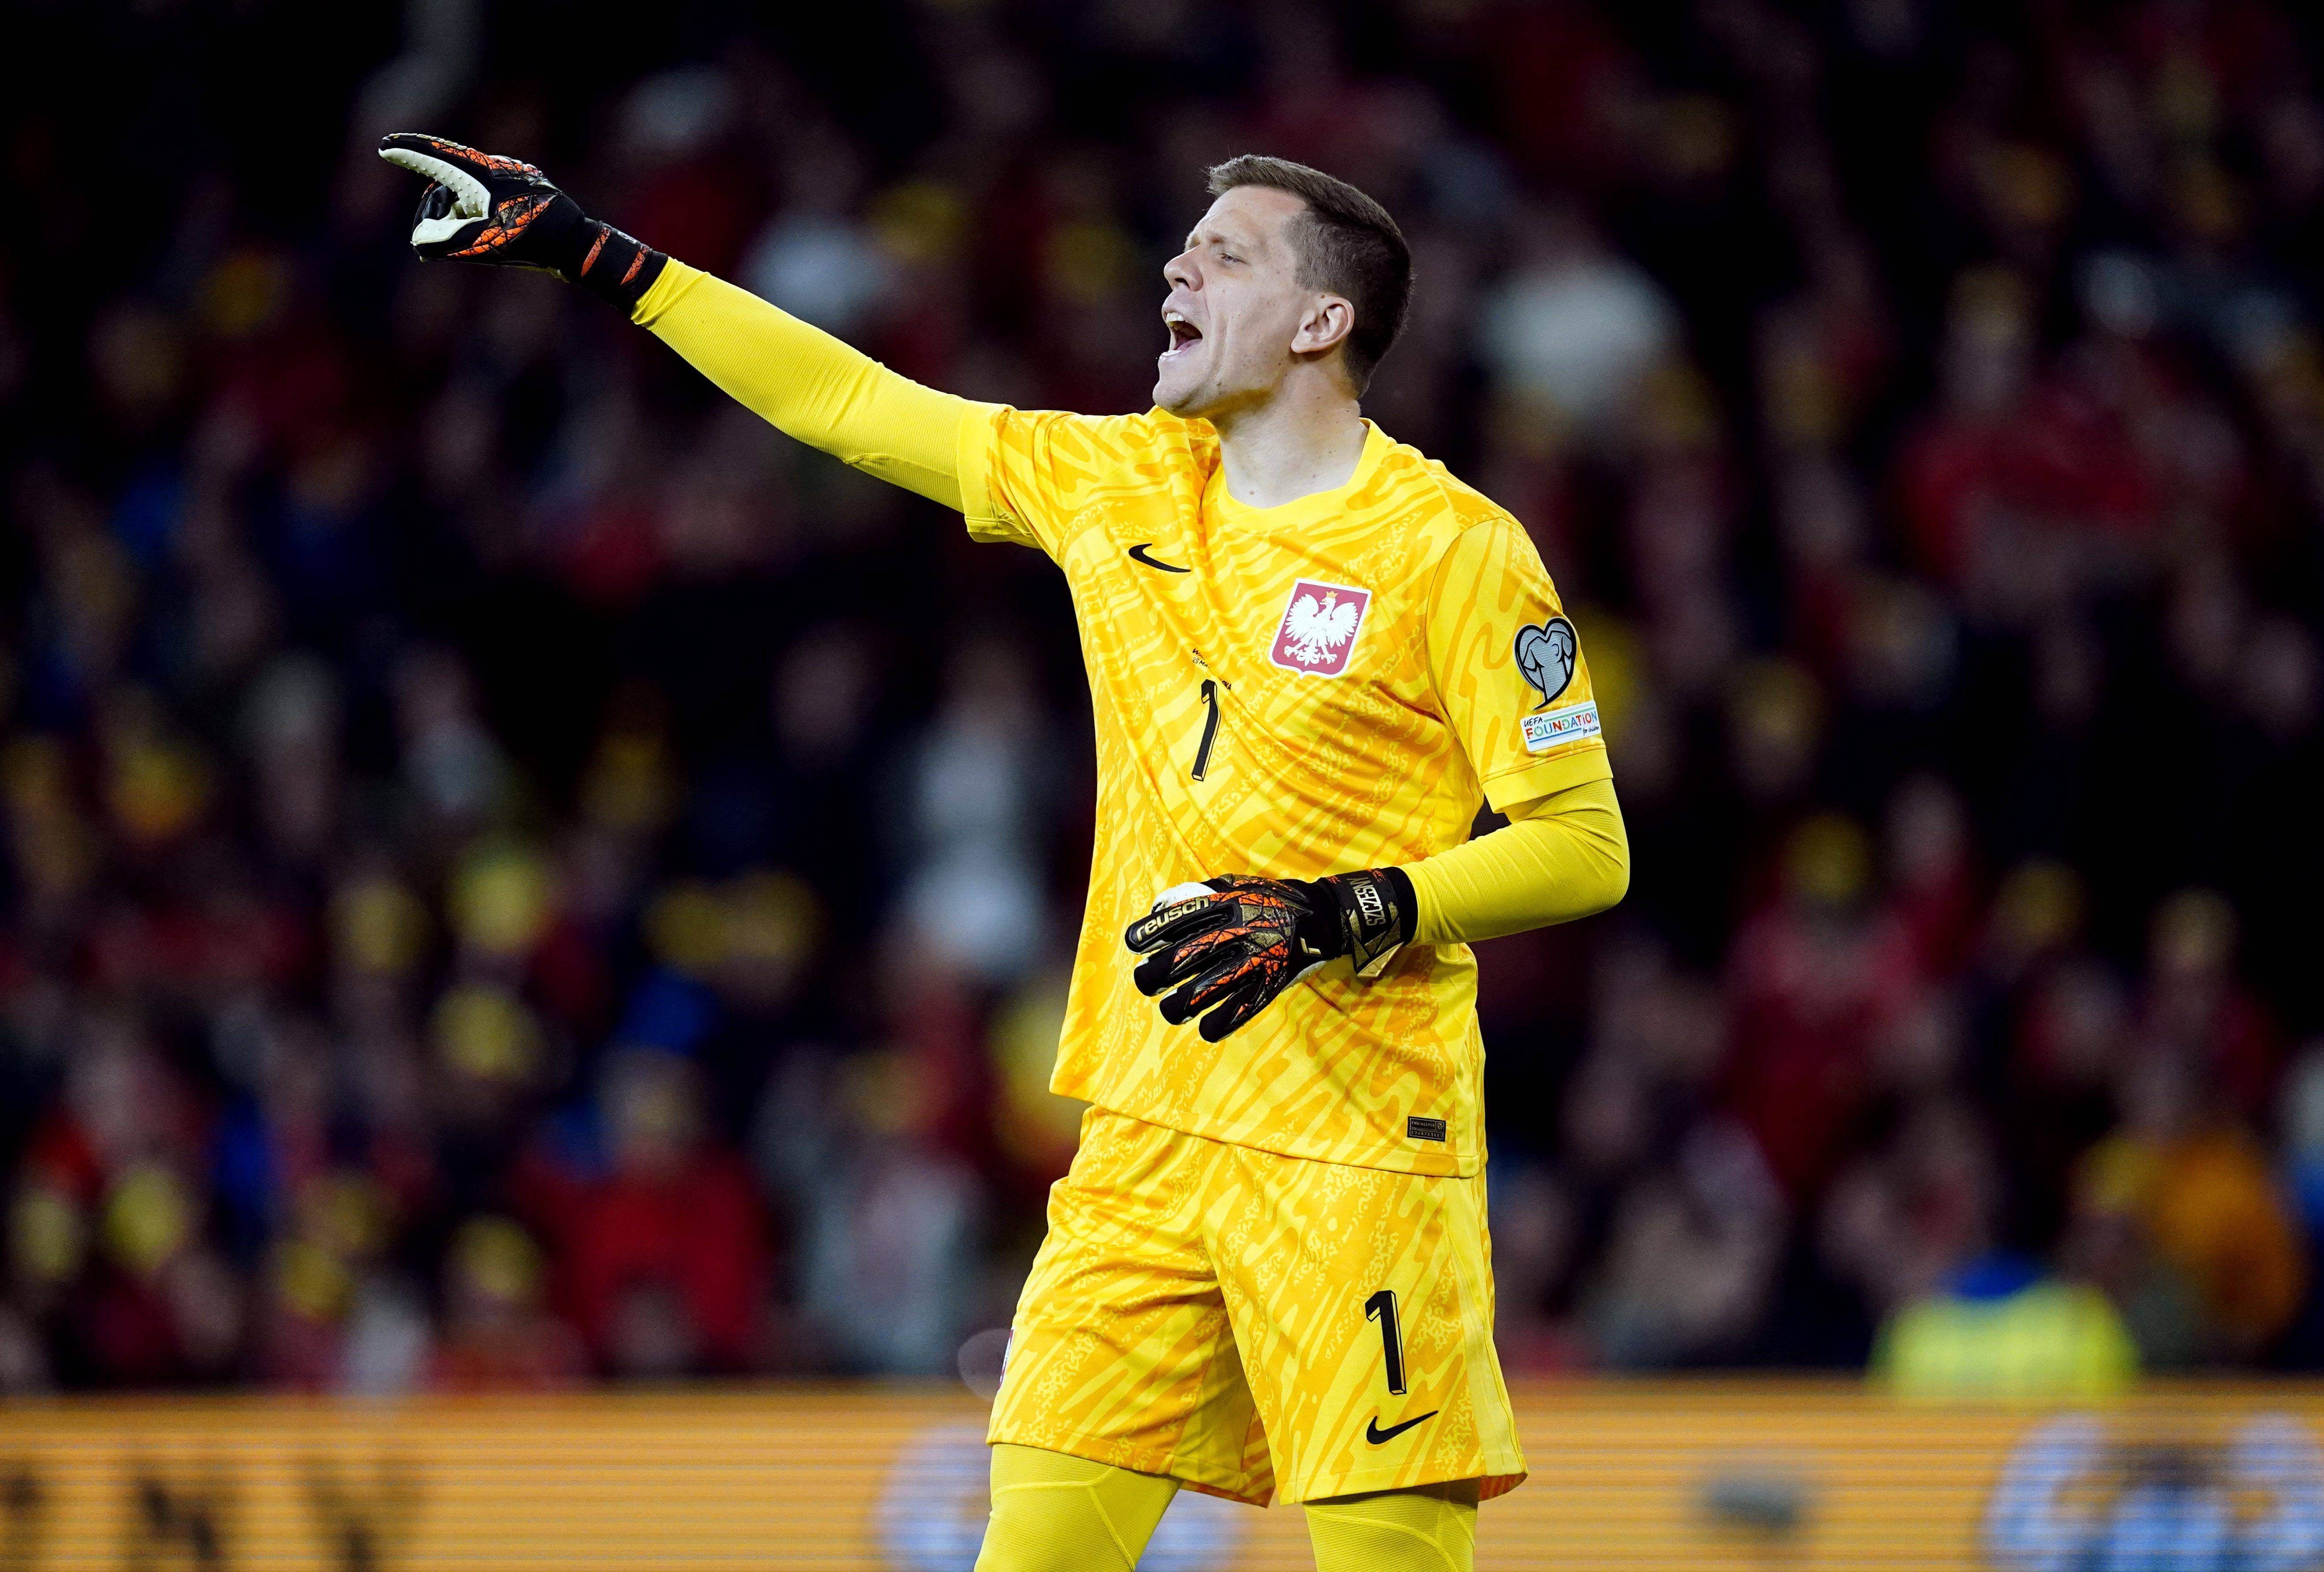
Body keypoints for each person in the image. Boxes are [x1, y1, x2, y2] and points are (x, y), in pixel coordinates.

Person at [379, 132, 1630, 1572]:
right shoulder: (1120, 483)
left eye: (1224, 254)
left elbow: (1582, 846)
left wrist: (1339, 910)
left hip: (1353, 1147)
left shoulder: (1455, 551)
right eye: (1183, 243)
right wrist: (604, 257)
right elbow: (853, 403)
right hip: (1143, 1143)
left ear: (1319, 320)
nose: (1176, 265)